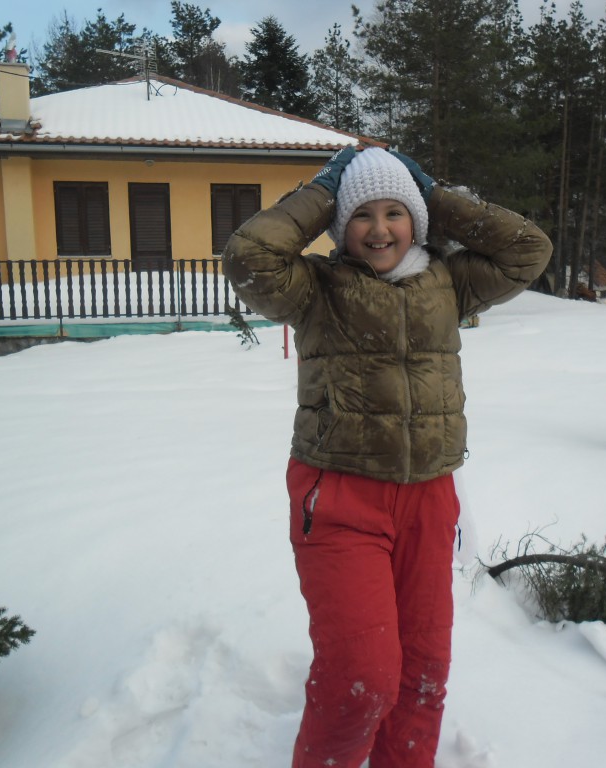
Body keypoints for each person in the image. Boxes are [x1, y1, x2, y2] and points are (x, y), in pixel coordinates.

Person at [221, 146, 552, 768]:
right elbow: (249, 256)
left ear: (416, 219)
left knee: (423, 673)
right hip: (339, 498)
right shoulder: (315, 289)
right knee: (362, 677)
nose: (379, 229)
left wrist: (437, 195)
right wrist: (324, 190)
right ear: (339, 224)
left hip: (429, 496)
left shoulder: (450, 282)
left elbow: (528, 249)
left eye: (395, 211)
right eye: (361, 214)